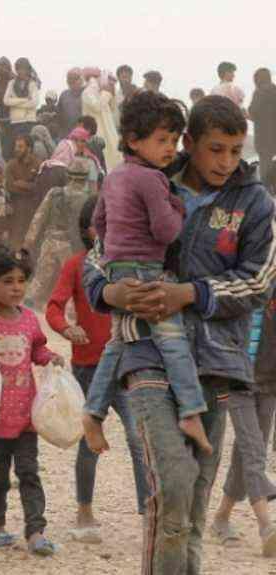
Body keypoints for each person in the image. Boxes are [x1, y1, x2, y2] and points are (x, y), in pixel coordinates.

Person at [82, 95, 274, 573]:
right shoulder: (146, 177)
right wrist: (111, 292)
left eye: (235, 150)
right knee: (171, 486)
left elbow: (259, 281)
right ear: (190, 142)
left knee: (195, 502)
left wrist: (188, 293)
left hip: (217, 360)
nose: (226, 162)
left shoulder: (255, 203)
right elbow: (99, 253)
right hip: (147, 351)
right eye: (216, 149)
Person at [82, 90, 212, 455]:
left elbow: (98, 223)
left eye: (174, 140)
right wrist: (178, 207)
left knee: (118, 343)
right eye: (162, 140)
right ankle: (191, 410)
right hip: (147, 271)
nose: (170, 148)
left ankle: (92, 411)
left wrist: (116, 251)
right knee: (173, 340)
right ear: (134, 140)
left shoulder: (114, 177)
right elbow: (166, 231)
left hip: (118, 271)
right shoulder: (154, 179)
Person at [45, 197, 148, 543]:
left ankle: (148, 512)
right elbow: (54, 307)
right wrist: (66, 329)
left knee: (138, 438)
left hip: (127, 364)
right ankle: (84, 512)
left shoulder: (128, 264)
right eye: (100, 222)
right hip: (89, 368)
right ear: (87, 230)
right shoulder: (77, 265)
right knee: (90, 442)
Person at [0, 248, 65, 556]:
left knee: (29, 473)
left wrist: (51, 358)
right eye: (8, 281)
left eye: (21, 280)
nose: (16, 288)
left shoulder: (30, 321)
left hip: (26, 416)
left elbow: (37, 350)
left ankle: (36, 532)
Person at [210, 293, 276, 556]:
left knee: (245, 453)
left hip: (269, 384)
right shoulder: (243, 285)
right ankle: (266, 527)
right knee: (253, 451)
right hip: (237, 381)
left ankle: (221, 518)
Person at [23, 158, 94, 309]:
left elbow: (39, 217)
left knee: (42, 275)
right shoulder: (87, 198)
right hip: (71, 245)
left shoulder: (54, 193)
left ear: (68, 175)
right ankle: (73, 310)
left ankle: (29, 304)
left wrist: (29, 240)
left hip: (50, 240)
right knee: (73, 278)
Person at [82, 68, 122, 170]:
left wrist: (112, 92)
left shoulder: (102, 92)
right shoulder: (88, 92)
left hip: (109, 132)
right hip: (98, 134)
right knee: (103, 161)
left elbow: (112, 107)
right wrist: (106, 92)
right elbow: (97, 106)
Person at [5, 134, 40, 250]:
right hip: (16, 211)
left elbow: (39, 187)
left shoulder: (38, 164)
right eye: (16, 146)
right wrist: (30, 187)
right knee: (14, 246)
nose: (16, 149)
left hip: (33, 211)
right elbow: (10, 186)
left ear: (29, 148)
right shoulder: (11, 165)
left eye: (20, 147)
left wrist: (22, 184)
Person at [3, 58, 40, 148]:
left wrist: (15, 101)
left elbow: (34, 103)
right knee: (15, 149)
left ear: (27, 70)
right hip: (15, 122)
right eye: (18, 69)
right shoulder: (11, 83)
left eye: (23, 69)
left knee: (28, 148)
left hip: (29, 121)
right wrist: (24, 100)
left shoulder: (32, 84)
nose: (21, 71)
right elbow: (6, 101)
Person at [250, 68, 276, 183]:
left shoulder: (259, 92)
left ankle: (266, 188)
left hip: (264, 136)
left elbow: (253, 111)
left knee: (265, 165)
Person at [58, 68, 85, 138]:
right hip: (67, 134)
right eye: (70, 79)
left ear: (81, 80)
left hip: (84, 135)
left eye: (75, 79)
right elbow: (59, 116)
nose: (72, 81)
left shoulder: (87, 94)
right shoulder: (64, 95)